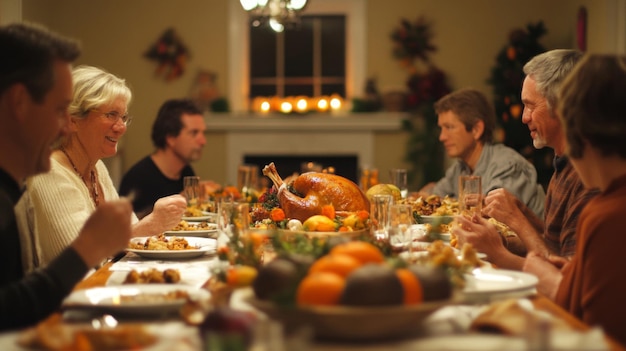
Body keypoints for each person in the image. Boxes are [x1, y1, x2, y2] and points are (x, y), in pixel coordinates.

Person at [0, 22, 134, 330]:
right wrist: (86, 249)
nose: (65, 128)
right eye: (60, 110)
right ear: (19, 102)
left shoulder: (13, 187)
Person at [15, 65, 186, 272]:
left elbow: (130, 230)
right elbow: (82, 259)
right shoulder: (49, 172)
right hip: (68, 299)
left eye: (123, 117)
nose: (121, 126)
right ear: (73, 120)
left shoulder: (97, 168)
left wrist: (153, 224)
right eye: (111, 115)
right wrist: (149, 225)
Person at [453, 49, 599, 270]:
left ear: (562, 106)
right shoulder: (563, 163)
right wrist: (518, 220)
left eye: (531, 105)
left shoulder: (589, 176)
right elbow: (554, 244)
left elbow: (565, 277)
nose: (524, 117)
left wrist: (514, 225)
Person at [524, 54, 626, 346]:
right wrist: (575, 276)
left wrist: (552, 284)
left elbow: (597, 339)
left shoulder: (606, 214)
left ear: (581, 132)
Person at [419, 88, 545, 217]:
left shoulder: (508, 165)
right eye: (441, 128)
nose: (442, 137)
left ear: (476, 129)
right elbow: (429, 197)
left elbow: (493, 218)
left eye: (449, 127)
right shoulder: (460, 168)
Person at [119, 98, 208, 218]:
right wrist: (175, 203)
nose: (203, 141)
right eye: (194, 133)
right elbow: (125, 227)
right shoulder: (138, 178)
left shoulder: (186, 172)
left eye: (203, 133)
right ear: (171, 138)